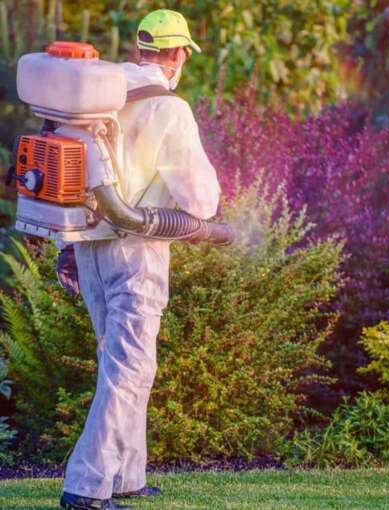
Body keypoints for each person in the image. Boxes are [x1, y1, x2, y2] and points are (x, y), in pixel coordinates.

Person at [59, 9, 221, 510]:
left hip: (87, 244)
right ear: (177, 56)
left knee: (121, 363)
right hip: (137, 248)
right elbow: (198, 200)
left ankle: (128, 476)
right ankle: (85, 487)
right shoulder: (169, 109)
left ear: (139, 49)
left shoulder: (98, 99)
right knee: (129, 368)